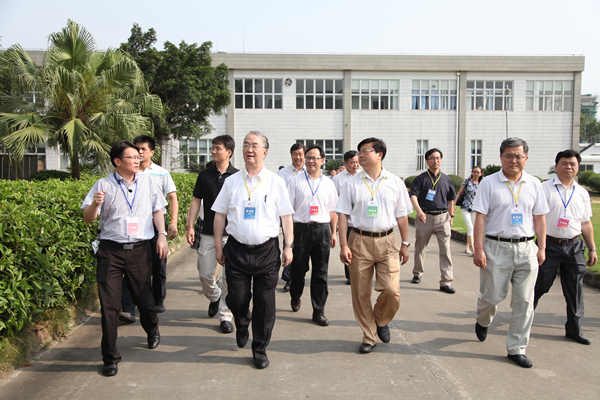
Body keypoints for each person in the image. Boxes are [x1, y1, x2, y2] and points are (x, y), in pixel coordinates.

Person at [81, 140, 168, 377]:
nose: (137, 160)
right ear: (117, 161)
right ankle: (110, 357)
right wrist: (95, 204)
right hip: (110, 251)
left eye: (138, 156)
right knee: (109, 306)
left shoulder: (148, 182)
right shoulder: (103, 184)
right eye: (132, 157)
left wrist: (161, 235)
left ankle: (152, 328)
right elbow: (88, 218)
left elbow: (157, 210)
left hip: (140, 250)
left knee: (144, 299)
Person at [212, 131, 295, 369]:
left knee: (265, 303)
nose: (250, 149)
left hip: (267, 251)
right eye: (246, 145)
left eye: (255, 145)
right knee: (237, 298)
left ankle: (259, 348)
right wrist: (218, 246)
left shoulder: (276, 182)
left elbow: (286, 217)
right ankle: (242, 322)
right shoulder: (231, 182)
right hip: (236, 250)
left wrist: (288, 246)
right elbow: (219, 215)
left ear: (264, 152)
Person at [472, 137, 548, 368]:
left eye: (518, 156)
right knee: (492, 297)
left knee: (525, 302)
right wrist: (478, 249)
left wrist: (542, 247)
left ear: (526, 158)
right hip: (496, 247)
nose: (513, 160)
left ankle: (517, 348)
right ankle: (483, 320)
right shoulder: (489, 183)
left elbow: (539, 218)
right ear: (501, 157)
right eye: (508, 156)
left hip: (526, 248)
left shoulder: (534, 183)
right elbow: (480, 218)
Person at [336, 137, 411, 354]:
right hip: (359, 241)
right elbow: (343, 215)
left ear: (379, 154)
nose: (360, 155)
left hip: (388, 241)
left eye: (365, 151)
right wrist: (344, 245)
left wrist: (405, 243)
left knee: (392, 290)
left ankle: (380, 319)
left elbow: (402, 215)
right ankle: (369, 336)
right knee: (361, 293)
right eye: (359, 151)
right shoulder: (351, 183)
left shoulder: (395, 182)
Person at [534, 149, 597, 345]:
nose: (568, 167)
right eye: (564, 163)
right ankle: (522, 319)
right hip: (548, 245)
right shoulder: (544, 189)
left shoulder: (582, 193)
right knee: (540, 284)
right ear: (556, 166)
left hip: (574, 246)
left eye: (573, 164)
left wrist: (592, 248)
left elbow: (585, 223)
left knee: (575, 289)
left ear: (577, 168)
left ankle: (574, 330)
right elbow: (535, 218)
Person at [118, 135, 178, 324]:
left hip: (156, 222)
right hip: (134, 225)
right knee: (130, 264)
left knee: (159, 263)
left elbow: (172, 197)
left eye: (143, 149)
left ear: (152, 152)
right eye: (137, 149)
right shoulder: (127, 173)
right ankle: (128, 308)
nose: (139, 152)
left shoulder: (161, 173)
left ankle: (158, 300)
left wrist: (173, 222)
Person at [186, 136, 238, 334]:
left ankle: (225, 316)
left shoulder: (237, 177)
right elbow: (196, 201)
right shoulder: (204, 175)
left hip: (232, 234)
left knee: (230, 278)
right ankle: (215, 297)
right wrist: (190, 226)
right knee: (205, 275)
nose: (213, 151)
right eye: (213, 148)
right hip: (208, 233)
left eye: (218, 148)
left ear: (228, 152)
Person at [287, 145, 338, 326]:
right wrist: (289, 238)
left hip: (322, 231)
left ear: (322, 160)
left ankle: (318, 311)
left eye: (315, 157)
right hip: (301, 231)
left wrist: (333, 233)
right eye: (308, 157)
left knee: (321, 272)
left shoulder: (329, 183)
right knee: (297, 271)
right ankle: (295, 295)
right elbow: (288, 211)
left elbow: (332, 210)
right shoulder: (295, 181)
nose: (311, 161)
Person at [409, 148, 457, 293]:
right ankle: (417, 273)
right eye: (432, 158)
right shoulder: (421, 179)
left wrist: (451, 216)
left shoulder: (446, 179)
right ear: (427, 161)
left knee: (446, 249)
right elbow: (413, 196)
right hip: (425, 217)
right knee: (420, 247)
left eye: (438, 158)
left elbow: (451, 199)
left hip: (443, 218)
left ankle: (446, 281)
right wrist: (419, 211)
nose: (435, 161)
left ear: (441, 160)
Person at [278, 142, 306, 292]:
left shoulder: (308, 172)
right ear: (291, 155)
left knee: (301, 250)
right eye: (295, 154)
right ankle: (288, 278)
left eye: (300, 154)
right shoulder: (283, 173)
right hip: (288, 217)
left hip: (304, 217)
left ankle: (297, 277)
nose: (298, 157)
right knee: (289, 246)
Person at [332, 150, 361, 284]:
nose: (355, 165)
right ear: (345, 163)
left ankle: (358, 272)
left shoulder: (362, 176)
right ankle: (350, 275)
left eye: (357, 162)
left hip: (360, 220)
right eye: (352, 162)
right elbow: (335, 200)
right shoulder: (338, 179)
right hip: (346, 220)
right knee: (348, 247)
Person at [455, 166, 483, 255]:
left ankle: (467, 247)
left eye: (478, 172)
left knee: (473, 228)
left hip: (476, 208)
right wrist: (453, 204)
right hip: (466, 206)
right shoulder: (467, 181)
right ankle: (474, 249)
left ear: (481, 174)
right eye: (474, 171)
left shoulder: (482, 183)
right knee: (470, 227)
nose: (475, 174)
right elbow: (459, 192)